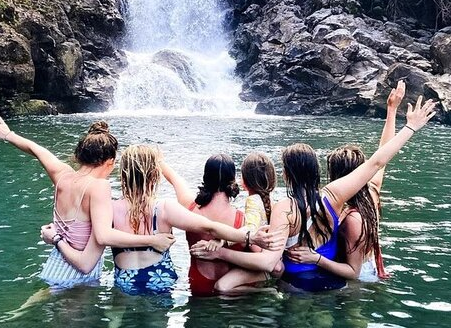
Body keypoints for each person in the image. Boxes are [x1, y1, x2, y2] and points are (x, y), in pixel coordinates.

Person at [190, 95, 436, 293]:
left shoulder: (284, 208)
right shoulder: (332, 196)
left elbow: (267, 263)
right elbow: (375, 163)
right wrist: (410, 127)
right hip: (332, 284)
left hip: (298, 286)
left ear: (286, 174)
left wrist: (221, 251)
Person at [41, 145, 284, 295]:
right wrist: (248, 235)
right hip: (163, 283)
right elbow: (209, 226)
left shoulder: (108, 208)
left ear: (124, 174)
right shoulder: (165, 208)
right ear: (154, 175)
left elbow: (88, 251)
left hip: (126, 283)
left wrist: (58, 238)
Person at [0, 116, 175, 288]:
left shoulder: (62, 176)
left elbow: (37, 150)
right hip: (77, 278)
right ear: (110, 162)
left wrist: (8, 134)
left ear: (80, 155)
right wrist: (152, 239)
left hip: (53, 267)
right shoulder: (99, 186)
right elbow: (103, 236)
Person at [286, 80, 407, 281]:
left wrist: (316, 259)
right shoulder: (371, 191)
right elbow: (383, 154)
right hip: (368, 272)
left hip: (357, 282)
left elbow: (353, 272)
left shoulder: (352, 218)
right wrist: (392, 110)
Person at [160, 153, 281, 296]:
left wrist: (156, 159)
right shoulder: (243, 221)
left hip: (197, 285)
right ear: (233, 181)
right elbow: (265, 262)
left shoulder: (189, 208)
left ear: (205, 178)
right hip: (230, 292)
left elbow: (175, 179)